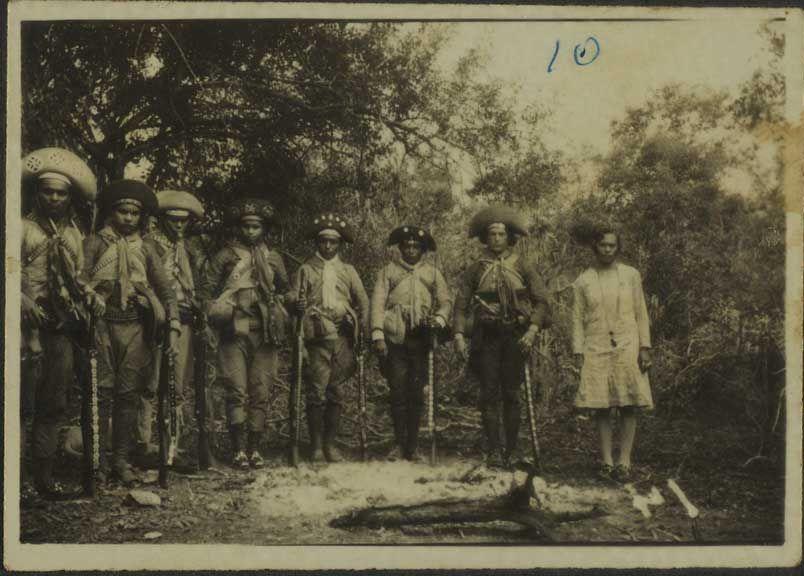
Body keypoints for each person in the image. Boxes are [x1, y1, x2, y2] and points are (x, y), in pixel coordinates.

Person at [20, 147, 104, 498]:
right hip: (24, 326)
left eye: (61, 192)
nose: (54, 198)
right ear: (36, 193)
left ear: (70, 197)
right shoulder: (20, 228)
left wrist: (91, 295)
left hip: (60, 327)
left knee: (54, 403)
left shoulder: (74, 234)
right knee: (21, 403)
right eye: (47, 191)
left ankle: (43, 477)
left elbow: (78, 277)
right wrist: (21, 300)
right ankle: (18, 481)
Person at [83, 180, 179, 484]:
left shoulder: (148, 248)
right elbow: (78, 278)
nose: (128, 218)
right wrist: (91, 294)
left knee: (128, 395)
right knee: (100, 393)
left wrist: (172, 325)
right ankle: (96, 463)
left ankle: (121, 461)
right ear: (112, 213)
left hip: (136, 327)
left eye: (134, 213)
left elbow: (166, 290)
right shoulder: (95, 243)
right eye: (122, 212)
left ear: (141, 216)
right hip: (101, 326)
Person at [452, 206, 550, 469]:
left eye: (501, 234)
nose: (496, 239)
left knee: (511, 393)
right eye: (492, 234)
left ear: (510, 238)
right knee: (489, 392)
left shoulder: (523, 266)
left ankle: (512, 450)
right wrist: (460, 335)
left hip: (515, 336)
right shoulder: (475, 269)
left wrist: (531, 330)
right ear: (485, 238)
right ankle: (494, 450)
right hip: (486, 337)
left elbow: (542, 302)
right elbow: (460, 305)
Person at [199, 197, 290, 469]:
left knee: (261, 390)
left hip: (265, 334)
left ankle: (255, 448)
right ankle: (238, 449)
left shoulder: (274, 258)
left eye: (256, 227)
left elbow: (286, 290)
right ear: (239, 228)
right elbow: (206, 291)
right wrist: (217, 310)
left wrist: (284, 303)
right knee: (236, 390)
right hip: (233, 332)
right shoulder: (225, 256)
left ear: (264, 229)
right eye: (246, 226)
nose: (251, 231)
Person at [571, 227, 652, 482]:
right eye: (603, 245)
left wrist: (645, 347)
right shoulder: (584, 280)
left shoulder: (630, 275)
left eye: (611, 245)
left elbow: (641, 311)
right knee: (601, 405)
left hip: (627, 342)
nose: (607, 250)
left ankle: (624, 461)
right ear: (595, 247)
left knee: (628, 403)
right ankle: (606, 461)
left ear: (618, 248)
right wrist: (578, 350)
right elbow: (576, 318)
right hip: (596, 344)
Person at [288, 213, 369, 463]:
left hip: (342, 337)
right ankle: (315, 446)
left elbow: (363, 302)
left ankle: (330, 444)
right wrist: (296, 303)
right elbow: (291, 296)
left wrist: (360, 327)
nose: (328, 246)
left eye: (333, 242)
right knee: (316, 391)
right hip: (316, 338)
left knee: (336, 391)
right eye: (323, 241)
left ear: (339, 244)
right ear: (317, 243)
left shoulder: (348, 271)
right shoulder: (306, 269)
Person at [137, 190, 206, 464]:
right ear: (162, 219)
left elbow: (198, 287)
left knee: (177, 385)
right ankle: (143, 443)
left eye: (183, 221)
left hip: (185, 320)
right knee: (150, 383)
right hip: (154, 319)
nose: (178, 225)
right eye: (173, 220)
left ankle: (172, 445)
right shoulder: (148, 245)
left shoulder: (191, 250)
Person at [370, 225, 450, 461]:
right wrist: (377, 334)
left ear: (423, 249)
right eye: (407, 245)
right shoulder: (388, 272)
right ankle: (398, 443)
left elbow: (445, 300)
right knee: (397, 390)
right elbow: (377, 302)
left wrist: (439, 318)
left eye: (416, 246)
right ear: (400, 247)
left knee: (416, 392)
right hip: (395, 335)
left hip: (421, 337)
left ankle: (413, 446)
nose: (411, 249)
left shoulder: (433, 273)